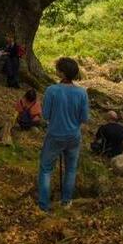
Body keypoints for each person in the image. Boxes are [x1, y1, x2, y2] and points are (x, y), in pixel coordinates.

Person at [38, 57, 89, 212]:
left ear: (61, 72)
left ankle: (44, 205)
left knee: (46, 169)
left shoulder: (52, 90)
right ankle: (66, 201)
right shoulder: (82, 93)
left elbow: (45, 115)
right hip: (74, 136)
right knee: (71, 169)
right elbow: (84, 118)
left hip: (55, 135)